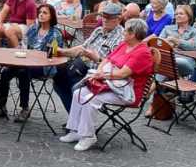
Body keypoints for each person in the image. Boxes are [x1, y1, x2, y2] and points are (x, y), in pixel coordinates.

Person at [59, 18, 154, 151]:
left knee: (90, 98)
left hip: (127, 91)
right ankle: (75, 130)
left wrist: (102, 75)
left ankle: (88, 136)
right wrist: (99, 72)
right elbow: (107, 59)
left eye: (125, 30)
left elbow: (122, 74)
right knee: (78, 93)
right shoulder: (124, 44)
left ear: (133, 34)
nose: (123, 32)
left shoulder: (142, 52)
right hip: (111, 84)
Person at [0, 4, 63, 122]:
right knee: (6, 72)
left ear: (51, 16)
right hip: (27, 62)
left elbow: (53, 56)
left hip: (44, 66)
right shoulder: (33, 29)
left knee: (23, 72)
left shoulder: (55, 34)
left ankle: (24, 108)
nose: (41, 14)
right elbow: (25, 45)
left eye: (45, 13)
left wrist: (34, 57)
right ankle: (1, 106)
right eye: (40, 12)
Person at [51, 1, 125, 111]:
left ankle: (76, 121)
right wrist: (61, 51)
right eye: (103, 16)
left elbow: (116, 66)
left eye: (109, 17)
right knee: (58, 79)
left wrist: (97, 58)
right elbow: (82, 48)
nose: (104, 20)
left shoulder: (121, 38)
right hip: (81, 67)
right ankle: (74, 117)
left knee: (76, 88)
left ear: (118, 19)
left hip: (97, 75)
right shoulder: (98, 30)